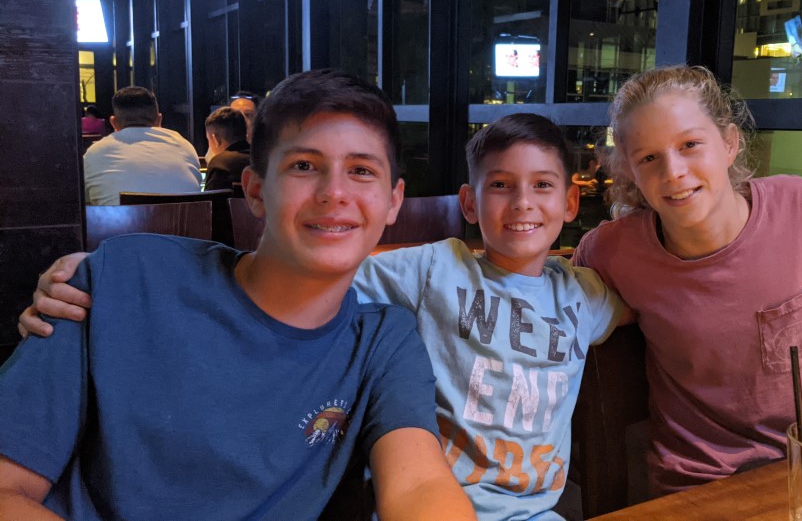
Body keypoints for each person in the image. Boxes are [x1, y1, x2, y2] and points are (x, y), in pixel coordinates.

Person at [20, 113, 632, 520]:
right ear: (469, 203)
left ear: (570, 201)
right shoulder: (435, 269)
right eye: (501, 185)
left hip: (537, 511)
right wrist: (105, 273)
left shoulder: (584, 295)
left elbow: (658, 298)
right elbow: (304, 266)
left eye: (542, 186)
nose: (523, 203)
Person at [0, 70, 474, 520]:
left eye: (362, 170)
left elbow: (419, 483)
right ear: (255, 191)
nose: (334, 192)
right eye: (304, 165)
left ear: (393, 201)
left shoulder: (383, 341)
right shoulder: (123, 279)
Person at [571, 65, 802, 497]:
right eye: (648, 158)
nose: (673, 171)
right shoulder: (612, 250)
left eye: (690, 145)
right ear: (631, 171)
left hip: (797, 473)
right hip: (690, 484)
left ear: (730, 143)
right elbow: (547, 305)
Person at [83, 86, 202, 205]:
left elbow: (83, 204)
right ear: (159, 120)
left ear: (113, 122)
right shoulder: (184, 146)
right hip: (184, 217)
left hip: (119, 218)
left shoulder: (94, 153)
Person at [203, 106, 251, 192]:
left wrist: (213, 161)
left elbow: (210, 199)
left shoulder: (219, 164)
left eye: (208, 139)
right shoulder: (263, 160)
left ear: (216, 139)